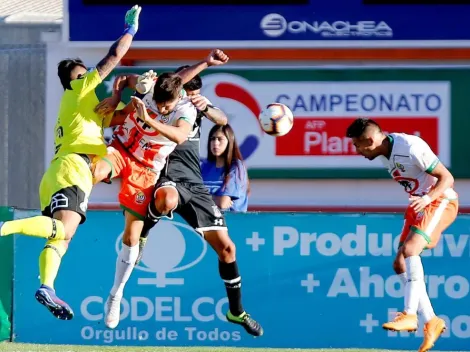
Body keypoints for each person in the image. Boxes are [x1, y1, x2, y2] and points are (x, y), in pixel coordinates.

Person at [0, 5, 142, 320]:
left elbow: (115, 114)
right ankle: (4, 227)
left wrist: (125, 98)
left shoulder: (85, 106)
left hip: (62, 170)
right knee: (62, 230)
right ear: (73, 78)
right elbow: (112, 58)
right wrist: (130, 30)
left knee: (62, 236)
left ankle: (47, 286)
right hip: (72, 169)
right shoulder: (78, 89)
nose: (88, 73)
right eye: (82, 71)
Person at [91, 50, 230, 329]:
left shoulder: (186, 109)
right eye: (158, 104)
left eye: (165, 107)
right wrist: (119, 96)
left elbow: (179, 136)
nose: (162, 108)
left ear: (177, 99)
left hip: (146, 170)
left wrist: (149, 118)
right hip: (120, 149)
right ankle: (64, 219)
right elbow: (124, 79)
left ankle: (116, 293)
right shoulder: (152, 87)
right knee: (95, 171)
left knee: (131, 237)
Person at [136, 69, 264, 337]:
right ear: (178, 92)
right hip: (166, 176)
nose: (192, 101)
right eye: (189, 95)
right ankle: (144, 232)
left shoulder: (196, 107)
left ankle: (236, 311)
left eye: (196, 96)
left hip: (195, 185)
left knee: (228, 250)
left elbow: (222, 118)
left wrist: (207, 107)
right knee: (167, 199)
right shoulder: (163, 102)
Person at [345, 118, 457, 352]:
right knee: (400, 263)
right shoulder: (386, 152)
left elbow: (447, 178)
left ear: (371, 140)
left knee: (410, 251)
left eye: (358, 145)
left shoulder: (411, 147)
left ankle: (409, 314)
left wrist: (427, 198)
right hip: (418, 204)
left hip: (439, 201)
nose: (357, 151)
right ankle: (431, 320)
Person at [201, 124, 249, 212]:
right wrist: (215, 199)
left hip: (233, 223)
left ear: (229, 141)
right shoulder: (204, 166)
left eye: (220, 139)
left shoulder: (236, 166)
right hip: (207, 222)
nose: (215, 143)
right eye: (212, 139)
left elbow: (223, 203)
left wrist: (201, 198)